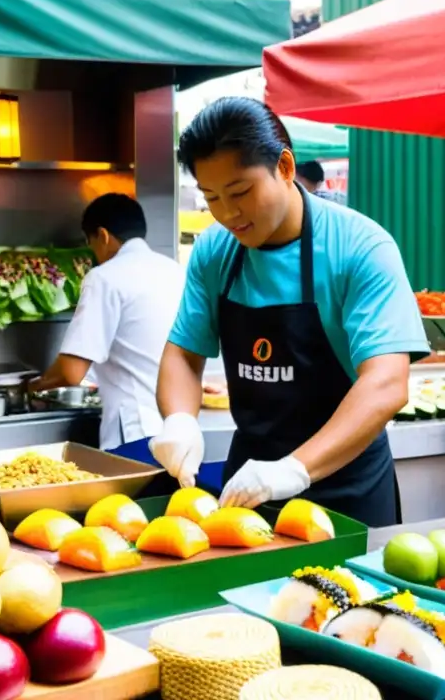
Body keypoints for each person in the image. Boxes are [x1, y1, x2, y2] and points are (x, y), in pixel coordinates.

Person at [148, 97, 429, 527]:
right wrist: (180, 420)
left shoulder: (360, 247)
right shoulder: (214, 252)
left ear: (284, 166)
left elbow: (386, 383)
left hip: (345, 490)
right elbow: (184, 354)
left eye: (241, 192)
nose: (228, 214)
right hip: (247, 493)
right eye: (212, 198)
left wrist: (293, 470)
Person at [31, 193, 185, 459]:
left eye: (90, 243)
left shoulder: (104, 277)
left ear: (102, 235)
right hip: (181, 430)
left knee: (125, 502)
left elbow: (71, 372)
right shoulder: (175, 271)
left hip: (136, 433)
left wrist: (35, 386)